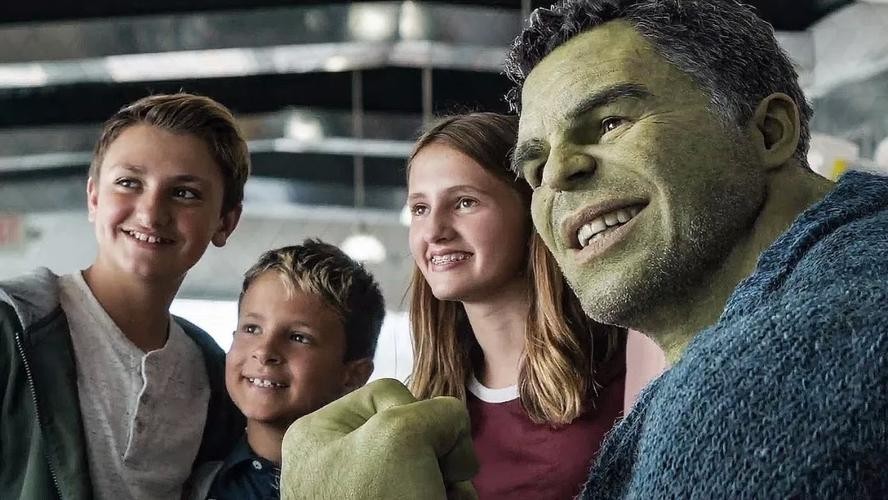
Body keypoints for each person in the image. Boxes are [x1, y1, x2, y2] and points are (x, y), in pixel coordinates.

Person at [278, 0, 888, 498]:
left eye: (610, 123)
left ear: (768, 131)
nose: (558, 174)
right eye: (535, 164)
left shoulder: (781, 360)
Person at [0, 93, 249, 499]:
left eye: (184, 193)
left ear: (225, 222)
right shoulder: (12, 330)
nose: (151, 213)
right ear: (94, 198)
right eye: (129, 183)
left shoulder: (216, 381)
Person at [407, 112, 625, 499]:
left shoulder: (623, 362)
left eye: (464, 203)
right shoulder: (425, 409)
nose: (434, 231)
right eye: (420, 208)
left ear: (531, 210)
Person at [185, 240, 385, 499]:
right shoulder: (193, 482)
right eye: (252, 329)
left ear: (353, 376)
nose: (264, 351)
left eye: (298, 337)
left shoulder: (377, 485)